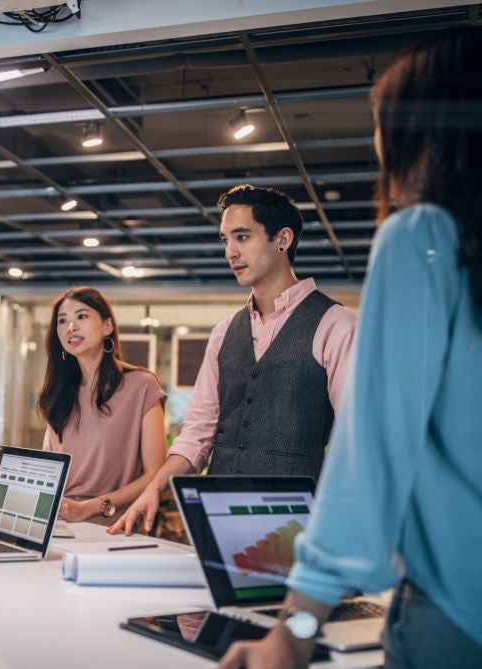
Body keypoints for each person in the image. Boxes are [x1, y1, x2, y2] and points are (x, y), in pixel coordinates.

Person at [218, 27, 482, 669]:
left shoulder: (423, 238)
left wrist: (297, 626)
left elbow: (371, 450)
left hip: (455, 612)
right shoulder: (231, 327)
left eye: (382, 122)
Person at [110, 185, 356, 536]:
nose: (230, 252)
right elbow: (197, 434)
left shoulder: (337, 325)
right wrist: (154, 487)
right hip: (218, 521)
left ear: (282, 239)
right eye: (226, 240)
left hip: (295, 528)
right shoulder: (224, 333)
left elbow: (356, 440)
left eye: (242, 237)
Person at [39, 287, 167, 523]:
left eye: (82, 316)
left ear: (107, 326)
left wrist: (89, 508)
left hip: (113, 527)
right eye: (62, 320)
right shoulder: (58, 393)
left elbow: (155, 474)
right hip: (58, 523)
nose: (71, 327)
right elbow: (50, 472)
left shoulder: (141, 386)